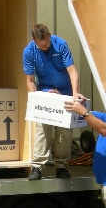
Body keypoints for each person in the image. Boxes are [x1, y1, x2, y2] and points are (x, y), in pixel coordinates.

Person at [23, 24, 86, 181]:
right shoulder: (29, 52)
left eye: (46, 43)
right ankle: (37, 166)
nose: (44, 47)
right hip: (46, 93)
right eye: (41, 44)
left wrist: (74, 93)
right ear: (33, 40)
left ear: (50, 35)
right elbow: (30, 81)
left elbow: (72, 72)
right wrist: (35, 97)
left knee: (64, 131)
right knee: (42, 129)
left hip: (64, 92)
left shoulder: (61, 44)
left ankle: (61, 166)